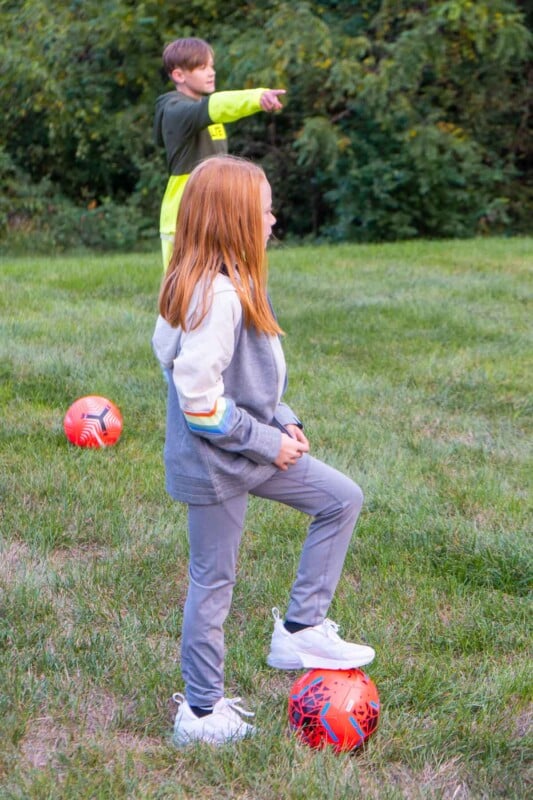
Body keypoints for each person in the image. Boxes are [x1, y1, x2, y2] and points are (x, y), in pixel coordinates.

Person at [152, 155, 375, 747]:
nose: (273, 218)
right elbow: (200, 402)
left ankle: (301, 628)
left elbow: (250, 381)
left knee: (340, 498)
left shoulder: (237, 283)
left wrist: (285, 419)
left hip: (250, 450)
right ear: (233, 220)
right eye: (264, 209)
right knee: (213, 580)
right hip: (216, 465)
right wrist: (267, 441)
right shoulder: (215, 296)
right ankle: (200, 712)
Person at [154, 36, 286, 269]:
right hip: (186, 213)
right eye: (202, 67)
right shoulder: (175, 109)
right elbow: (215, 106)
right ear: (179, 75)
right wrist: (257, 97)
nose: (211, 72)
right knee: (183, 292)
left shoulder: (205, 114)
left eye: (212, 66)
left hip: (216, 207)